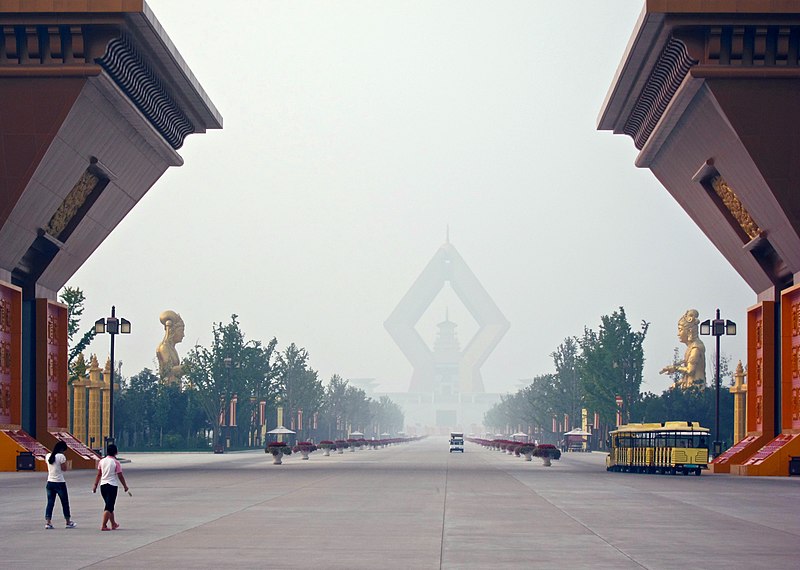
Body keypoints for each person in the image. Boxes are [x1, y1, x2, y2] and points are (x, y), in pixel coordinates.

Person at [660, 309, 707, 389]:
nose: (678, 334)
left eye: (680, 330)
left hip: (696, 388)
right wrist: (678, 383)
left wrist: (675, 368)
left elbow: (690, 371)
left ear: (689, 331)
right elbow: (688, 375)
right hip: (690, 386)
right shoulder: (691, 348)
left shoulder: (696, 348)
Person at [92, 444, 129, 531]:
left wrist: (95, 485)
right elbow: (120, 475)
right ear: (116, 452)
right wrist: (125, 486)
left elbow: (99, 474)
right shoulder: (116, 462)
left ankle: (113, 523)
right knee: (109, 506)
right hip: (112, 486)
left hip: (103, 486)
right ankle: (104, 525)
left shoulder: (102, 461)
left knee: (109, 505)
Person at [44, 440, 77, 529]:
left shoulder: (48, 456)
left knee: (50, 502)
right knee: (65, 502)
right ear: (62, 449)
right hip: (59, 482)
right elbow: (64, 469)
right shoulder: (61, 456)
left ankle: (48, 522)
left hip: (50, 482)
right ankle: (68, 521)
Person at [156, 310, 185, 385]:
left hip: (175, 385)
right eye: (181, 331)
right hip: (168, 385)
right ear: (173, 331)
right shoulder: (164, 347)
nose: (183, 335)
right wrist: (185, 368)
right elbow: (167, 370)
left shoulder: (172, 348)